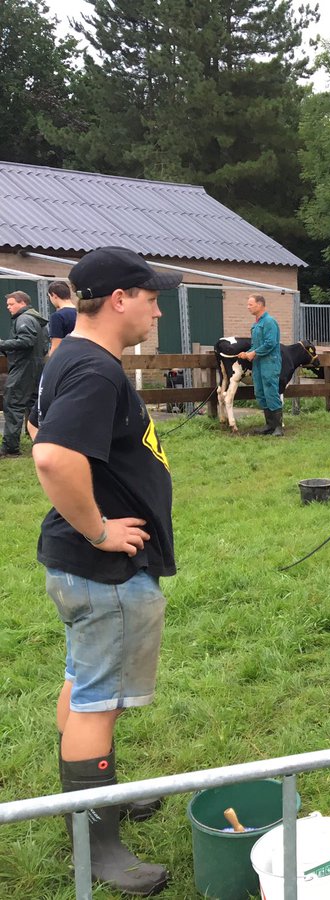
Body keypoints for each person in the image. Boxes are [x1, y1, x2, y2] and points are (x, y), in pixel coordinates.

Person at [32, 246, 181, 895]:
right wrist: (99, 529)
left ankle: (94, 798)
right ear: (119, 298)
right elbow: (51, 455)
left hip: (77, 568)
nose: (156, 307)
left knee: (79, 680)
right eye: (150, 296)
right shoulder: (95, 370)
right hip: (103, 572)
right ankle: (99, 845)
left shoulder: (71, 355)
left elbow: (43, 426)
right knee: (98, 701)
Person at [1, 289, 49, 457]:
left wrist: (2, 344)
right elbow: (44, 346)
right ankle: (41, 439)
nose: (8, 307)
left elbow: (26, 341)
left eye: (11, 304)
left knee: (13, 404)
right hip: (37, 367)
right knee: (35, 405)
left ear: (22, 303)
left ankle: (11, 448)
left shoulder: (24, 319)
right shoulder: (37, 320)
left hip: (24, 367)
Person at [237, 293, 284, 435]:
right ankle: (269, 425)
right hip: (258, 363)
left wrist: (253, 353)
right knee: (260, 392)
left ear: (260, 304)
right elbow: (256, 345)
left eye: (250, 304)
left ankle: (278, 427)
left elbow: (270, 343)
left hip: (270, 362)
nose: (248, 307)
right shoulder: (256, 324)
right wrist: (247, 353)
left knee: (270, 391)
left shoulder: (269, 322)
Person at [47, 279, 78, 354]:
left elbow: (56, 346)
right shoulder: (81, 312)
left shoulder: (57, 316)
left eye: (49, 296)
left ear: (54, 295)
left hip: (67, 357)